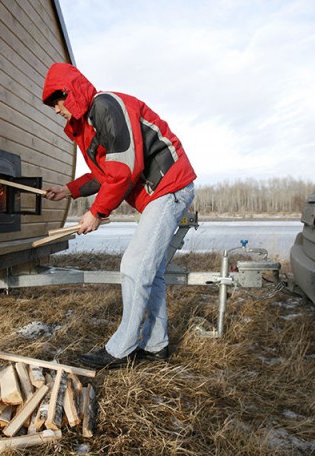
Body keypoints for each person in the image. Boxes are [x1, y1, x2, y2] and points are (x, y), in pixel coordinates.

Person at [42, 63, 197, 369]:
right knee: (151, 271)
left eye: (55, 102)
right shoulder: (90, 124)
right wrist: (68, 190)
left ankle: (121, 348)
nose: (56, 110)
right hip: (161, 192)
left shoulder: (105, 105)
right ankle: (156, 346)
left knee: (135, 265)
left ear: (68, 93)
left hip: (168, 186)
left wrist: (97, 212)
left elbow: (124, 168)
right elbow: (104, 173)